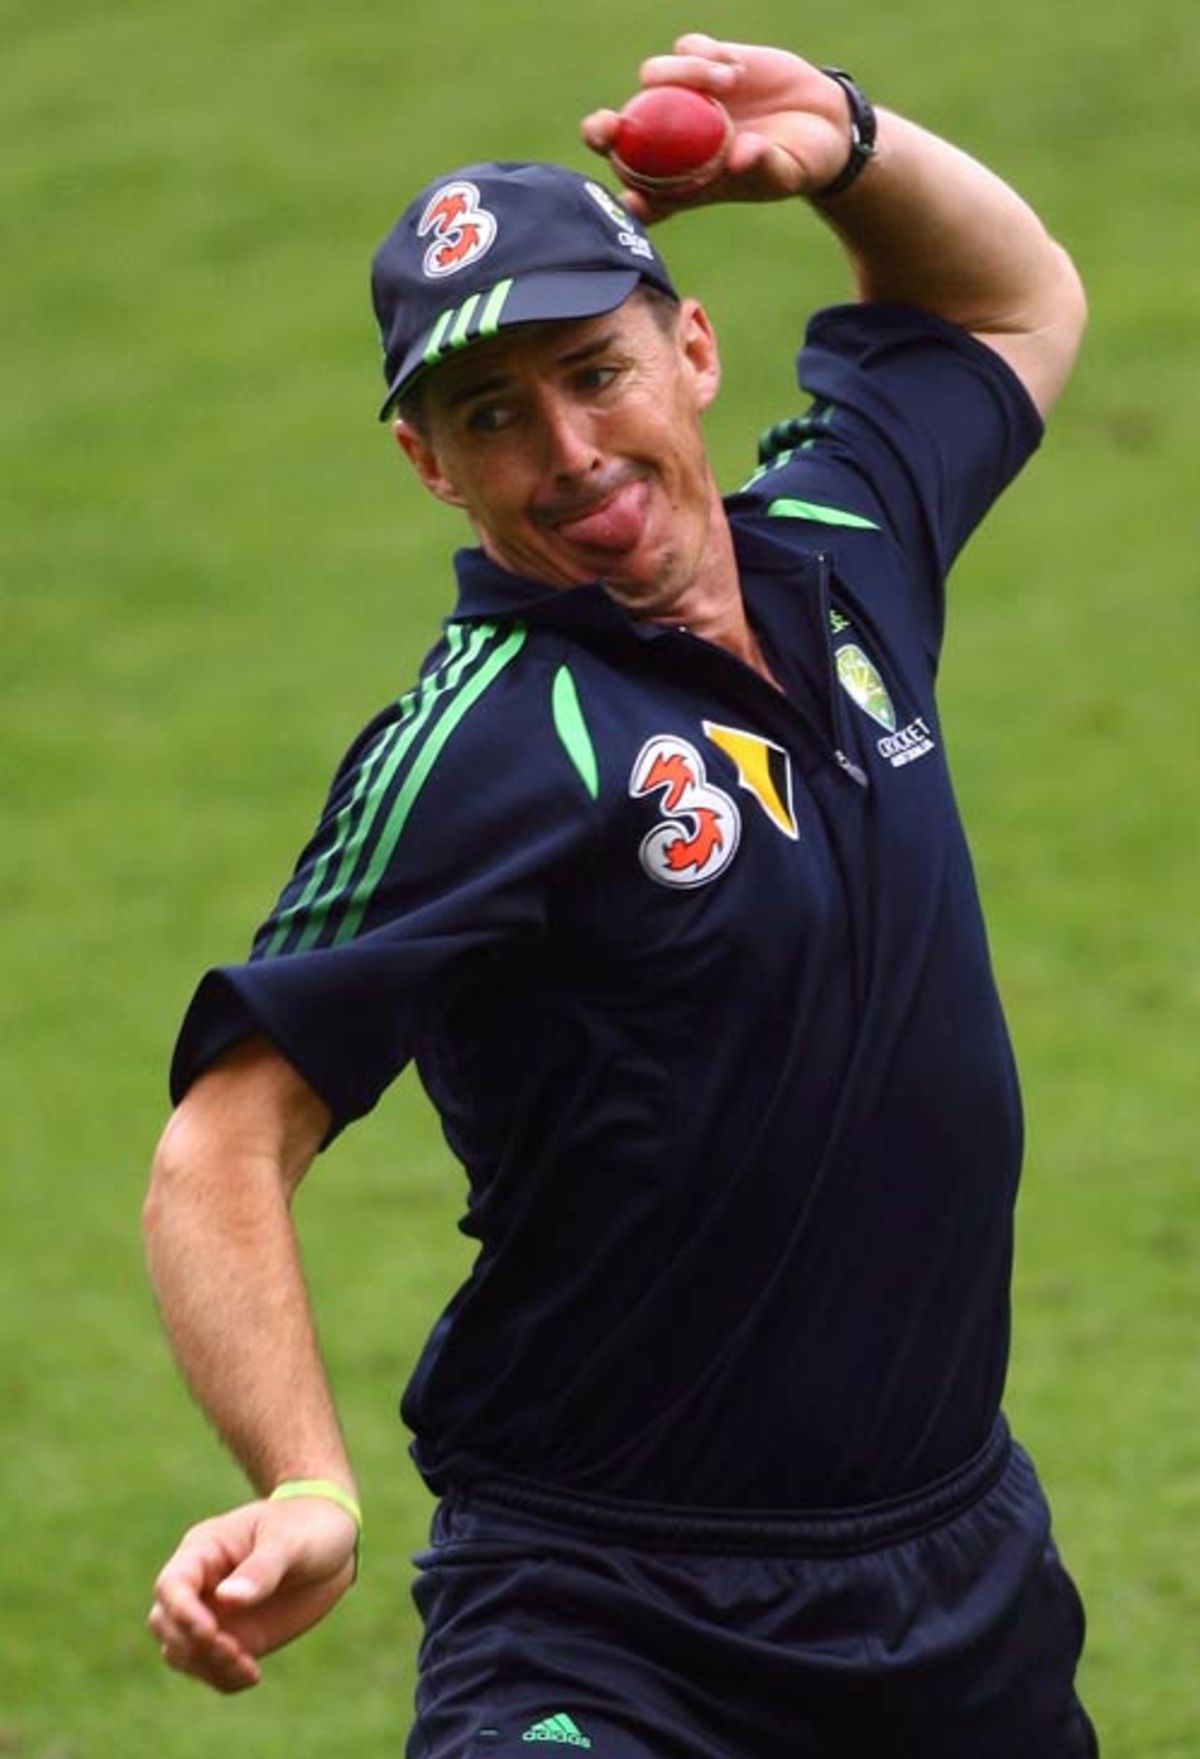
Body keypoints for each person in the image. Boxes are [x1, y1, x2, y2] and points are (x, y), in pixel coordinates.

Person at [145, 32, 1095, 1757]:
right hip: (612, 1617)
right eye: (491, 416)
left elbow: (1010, 313)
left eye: (597, 372)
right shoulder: (482, 747)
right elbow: (223, 1137)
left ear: (695, 347)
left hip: (956, 1580)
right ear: (434, 467)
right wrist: (300, 1476)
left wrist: (853, 149)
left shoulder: (843, 541)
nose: (569, 449)